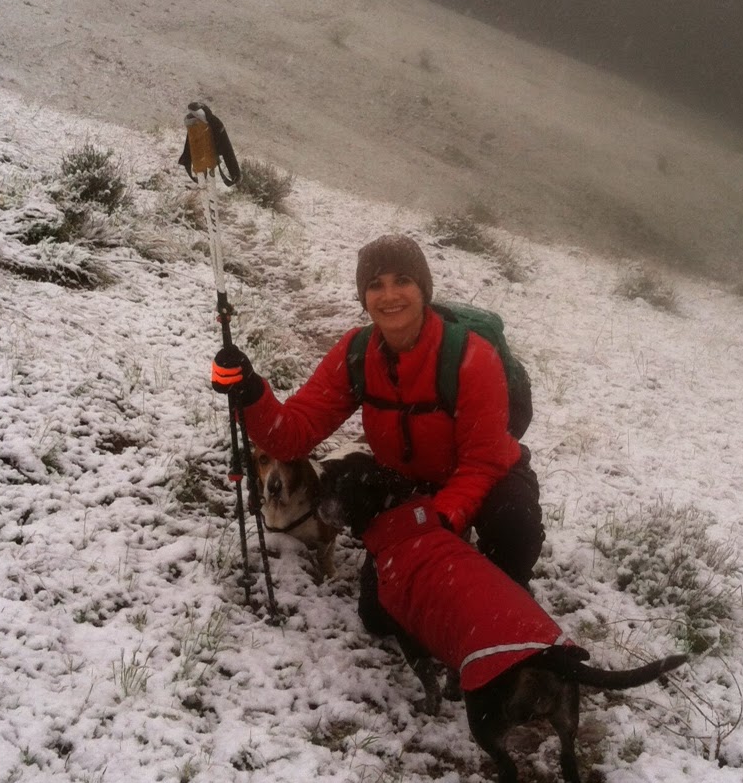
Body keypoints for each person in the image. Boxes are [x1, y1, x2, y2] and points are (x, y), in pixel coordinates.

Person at [211, 233, 544, 630]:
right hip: (409, 484)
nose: (389, 296)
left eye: (402, 280)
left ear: (423, 288)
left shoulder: (472, 357)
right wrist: (251, 393)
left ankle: (509, 600)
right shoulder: (357, 352)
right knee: (380, 617)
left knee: (513, 526)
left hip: (486, 478)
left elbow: (482, 463)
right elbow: (293, 435)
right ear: (363, 297)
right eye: (375, 285)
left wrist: (438, 521)